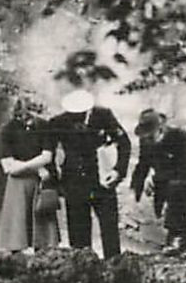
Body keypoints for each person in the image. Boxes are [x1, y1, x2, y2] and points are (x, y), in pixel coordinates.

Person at [48, 89, 131, 258]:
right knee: (79, 238)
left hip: (102, 180)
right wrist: (56, 183)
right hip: (74, 182)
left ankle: (114, 268)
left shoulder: (103, 116)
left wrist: (118, 171)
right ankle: (84, 271)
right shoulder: (58, 122)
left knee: (110, 230)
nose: (77, 116)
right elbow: (48, 154)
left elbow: (124, 143)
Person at [131, 109, 186, 251]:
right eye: (145, 136)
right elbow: (142, 164)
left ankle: (178, 238)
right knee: (171, 188)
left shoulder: (179, 136)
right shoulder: (146, 141)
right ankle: (169, 235)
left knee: (178, 188)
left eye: (151, 135)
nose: (148, 139)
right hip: (165, 180)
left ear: (160, 129)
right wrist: (136, 189)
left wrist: (155, 179)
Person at [0, 97, 60, 252]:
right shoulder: (7, 129)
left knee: (44, 239)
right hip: (18, 185)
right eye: (25, 116)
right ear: (17, 114)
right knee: (16, 237)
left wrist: (21, 166)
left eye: (32, 115)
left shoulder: (44, 127)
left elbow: (47, 156)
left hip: (40, 186)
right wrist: (36, 168)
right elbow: (7, 166)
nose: (30, 121)